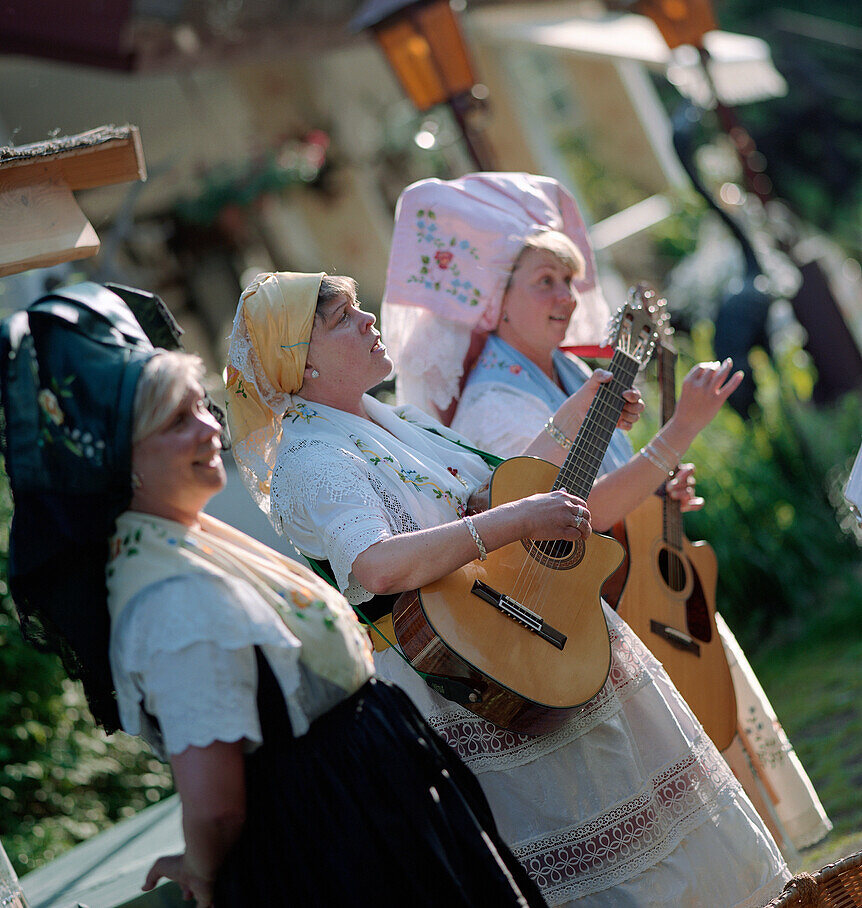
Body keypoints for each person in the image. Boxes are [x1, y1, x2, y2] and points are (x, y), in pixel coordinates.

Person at [226, 268, 791, 908]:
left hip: (525, 633)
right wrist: (515, 522)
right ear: (301, 368)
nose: (368, 320)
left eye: (361, 308)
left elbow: (482, 498)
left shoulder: (395, 421)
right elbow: (378, 565)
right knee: (600, 855)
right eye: (342, 319)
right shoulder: (313, 458)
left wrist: (574, 416)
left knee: (656, 821)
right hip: (478, 670)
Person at [1, 283, 546, 908]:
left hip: (369, 811)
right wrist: (203, 868)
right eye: (177, 421)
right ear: (120, 463)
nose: (210, 428)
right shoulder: (165, 595)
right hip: (338, 843)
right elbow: (216, 805)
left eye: (201, 407)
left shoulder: (186, 547)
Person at [382, 170, 833, 856]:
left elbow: (615, 491)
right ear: (492, 301)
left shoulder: (566, 372)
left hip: (649, 587)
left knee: (734, 772)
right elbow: (571, 516)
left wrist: (657, 499)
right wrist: (678, 430)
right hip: (603, 616)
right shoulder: (493, 407)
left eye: (568, 280)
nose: (567, 297)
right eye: (544, 282)